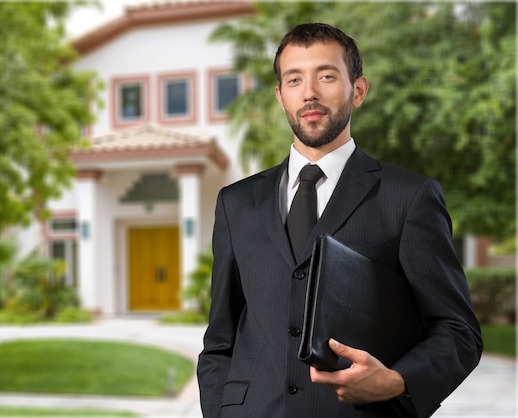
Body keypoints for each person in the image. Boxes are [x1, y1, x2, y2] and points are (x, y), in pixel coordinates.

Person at [197, 22, 482, 418]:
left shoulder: (410, 197)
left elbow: (458, 332)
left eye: (326, 76)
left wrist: (397, 381)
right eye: (294, 79)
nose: (309, 93)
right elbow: (220, 339)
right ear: (281, 97)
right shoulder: (236, 203)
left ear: (358, 90)